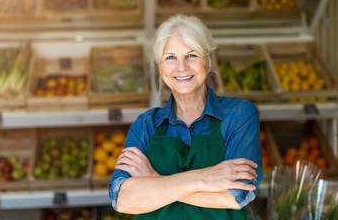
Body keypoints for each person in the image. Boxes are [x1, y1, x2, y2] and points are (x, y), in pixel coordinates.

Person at [108, 14, 263, 220]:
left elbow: (236, 195)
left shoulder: (239, 115)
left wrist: (155, 180)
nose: (181, 67)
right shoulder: (146, 125)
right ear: (160, 67)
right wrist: (203, 179)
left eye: (192, 55)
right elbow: (124, 200)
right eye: (170, 57)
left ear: (208, 61)